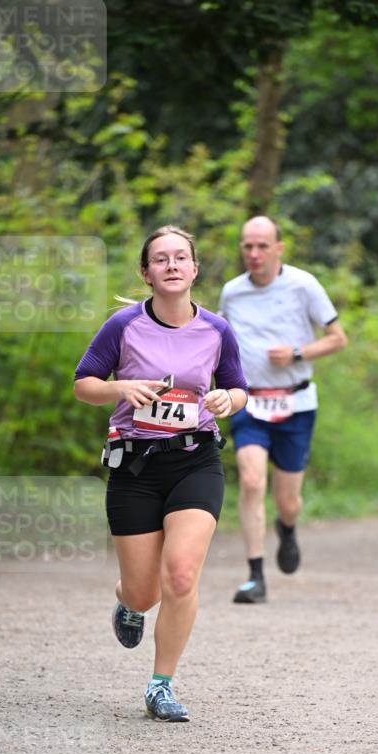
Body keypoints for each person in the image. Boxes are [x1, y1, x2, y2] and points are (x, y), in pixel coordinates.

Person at [74, 225, 248, 720]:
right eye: (160, 259)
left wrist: (225, 400)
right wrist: (119, 389)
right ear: (146, 273)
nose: (171, 265)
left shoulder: (217, 330)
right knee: (144, 590)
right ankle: (127, 602)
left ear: (194, 269)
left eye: (180, 258)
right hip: (134, 466)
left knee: (181, 574)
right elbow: (83, 383)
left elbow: (239, 389)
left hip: (196, 460)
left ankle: (160, 685)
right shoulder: (123, 326)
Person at [218, 216, 347, 604]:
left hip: (296, 402)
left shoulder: (304, 285)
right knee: (253, 481)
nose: (253, 254)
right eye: (247, 246)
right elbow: (220, 343)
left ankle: (287, 527)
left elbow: (338, 339)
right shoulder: (232, 292)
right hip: (249, 401)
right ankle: (255, 576)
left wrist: (296, 352)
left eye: (261, 246)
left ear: (278, 248)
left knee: (288, 500)